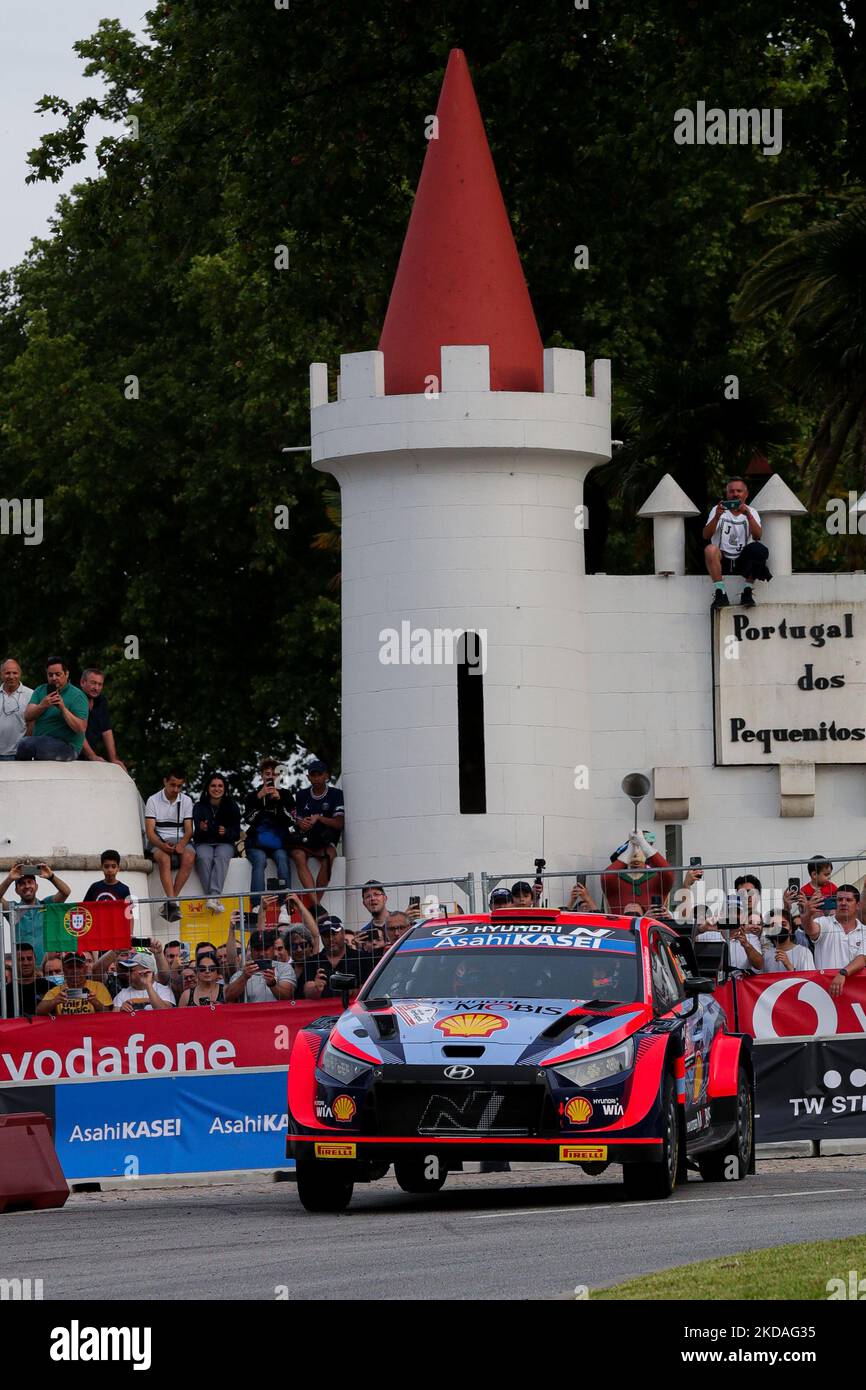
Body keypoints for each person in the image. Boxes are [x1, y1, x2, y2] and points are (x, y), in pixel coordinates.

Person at [704, 475, 770, 612]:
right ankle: (720, 592)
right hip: (722, 560)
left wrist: (748, 515)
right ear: (727, 494)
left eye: (739, 491)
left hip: (743, 561)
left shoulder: (752, 512)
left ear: (746, 494)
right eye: (731, 491)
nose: (735, 494)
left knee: (759, 549)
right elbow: (706, 535)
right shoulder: (718, 510)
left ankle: (747, 590)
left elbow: (758, 536)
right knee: (710, 549)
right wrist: (717, 516)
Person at [243, 758, 298, 904]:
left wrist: (279, 802)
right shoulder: (252, 796)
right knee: (260, 861)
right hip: (256, 843)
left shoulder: (285, 794)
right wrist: (259, 799)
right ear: (261, 775)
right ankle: (256, 906)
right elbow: (248, 819)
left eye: (274, 774)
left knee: (282, 859)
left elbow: (291, 820)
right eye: (267, 773)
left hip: (279, 843)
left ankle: (285, 905)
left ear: (278, 776)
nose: (270, 777)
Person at [144, 769, 196, 920]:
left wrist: (182, 844)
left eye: (179, 786)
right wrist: (161, 845)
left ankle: (170, 902)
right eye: (173, 785)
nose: (176, 789)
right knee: (164, 859)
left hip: (179, 840)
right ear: (165, 782)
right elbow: (150, 832)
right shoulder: (153, 800)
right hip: (158, 840)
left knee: (190, 857)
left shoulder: (186, 800)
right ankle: (173, 902)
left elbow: (188, 830)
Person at [15, 657, 89, 761]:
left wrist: (63, 708)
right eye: (50, 675)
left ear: (66, 674)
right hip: (41, 742)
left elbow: (81, 728)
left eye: (58, 674)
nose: (54, 678)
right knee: (24, 744)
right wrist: (42, 705)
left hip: (68, 747)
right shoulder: (40, 690)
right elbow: (27, 716)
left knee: (26, 744)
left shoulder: (78, 696)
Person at [290, 760, 344, 898]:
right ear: (308, 777)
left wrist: (319, 818)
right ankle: (316, 906)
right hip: (306, 840)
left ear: (326, 775)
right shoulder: (301, 795)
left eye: (319, 774)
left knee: (330, 855)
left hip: (325, 841)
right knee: (297, 855)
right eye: (313, 775)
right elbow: (297, 818)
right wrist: (302, 823)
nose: (316, 778)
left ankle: (316, 904)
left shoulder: (336, 794)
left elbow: (339, 823)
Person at [0, 862, 71, 961]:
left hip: (47, 968)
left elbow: (66, 892)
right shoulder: (14, 909)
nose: (27, 886)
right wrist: (10, 879)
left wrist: (51, 877)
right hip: (23, 968)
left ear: (36, 886)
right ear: (16, 890)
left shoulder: (46, 904)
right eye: (22, 884)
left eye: (30, 882)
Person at [193, 773, 241, 911]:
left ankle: (213, 896)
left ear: (225, 789)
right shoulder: (199, 806)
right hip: (204, 842)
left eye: (220, 786)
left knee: (221, 857)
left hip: (225, 843)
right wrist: (201, 828)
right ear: (207, 788)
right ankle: (214, 899)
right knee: (203, 857)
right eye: (213, 785)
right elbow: (195, 832)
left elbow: (237, 833)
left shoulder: (232, 806)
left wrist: (226, 832)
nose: (216, 789)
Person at [602, 832, 673, 915]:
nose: (635, 854)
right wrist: (629, 850)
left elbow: (669, 873)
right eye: (632, 850)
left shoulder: (657, 879)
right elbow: (606, 877)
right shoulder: (615, 880)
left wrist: (643, 843)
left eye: (640, 849)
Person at [804, 885, 866, 973]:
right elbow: (811, 930)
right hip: (824, 986)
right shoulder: (824, 922)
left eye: (848, 900)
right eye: (840, 899)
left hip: (854, 986)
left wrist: (842, 974)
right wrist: (807, 914)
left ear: (858, 905)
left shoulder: (865, 931)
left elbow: (862, 958)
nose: (843, 903)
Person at [225, 928, 296, 1002]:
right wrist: (244, 977)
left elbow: (288, 997)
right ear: (251, 950)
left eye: (266, 948)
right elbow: (228, 997)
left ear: (273, 948)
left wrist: (273, 985)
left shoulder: (284, 968)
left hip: (278, 1013)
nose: (262, 954)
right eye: (257, 949)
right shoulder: (244, 972)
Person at [78, 668, 126, 769]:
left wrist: (113, 759)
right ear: (82, 682)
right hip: (72, 757)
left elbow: (106, 730)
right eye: (93, 683)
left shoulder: (101, 701)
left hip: (90, 758)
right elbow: (77, 731)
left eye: (100, 684)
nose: (97, 687)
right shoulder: (75, 699)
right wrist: (92, 756)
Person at [37, 952, 112, 1015]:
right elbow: (38, 1011)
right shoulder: (57, 991)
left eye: (79, 966)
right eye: (70, 967)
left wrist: (95, 1002)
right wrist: (54, 1001)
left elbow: (107, 1013)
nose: (75, 970)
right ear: (64, 970)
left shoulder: (98, 987)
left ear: (85, 969)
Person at [4, 942, 50, 1016]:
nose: (26, 963)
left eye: (29, 959)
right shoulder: (5, 993)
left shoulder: (49, 987)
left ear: (35, 960)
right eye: (21, 959)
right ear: (14, 962)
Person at [0, 658, 33, 759]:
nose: (11, 676)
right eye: (7, 673)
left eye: (15, 673)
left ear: (20, 674)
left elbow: (32, 723)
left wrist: (25, 746)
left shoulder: (31, 694)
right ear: (1, 674)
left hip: (20, 755)